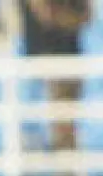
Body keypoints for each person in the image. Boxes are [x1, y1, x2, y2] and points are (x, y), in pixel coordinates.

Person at [15, 0, 92, 151]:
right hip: (43, 59)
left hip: (69, 61)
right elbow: (46, 14)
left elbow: (86, 15)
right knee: (57, 120)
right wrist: (67, 17)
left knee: (67, 122)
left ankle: (66, 159)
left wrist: (68, 17)